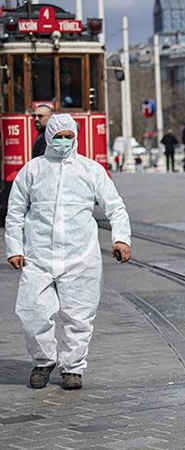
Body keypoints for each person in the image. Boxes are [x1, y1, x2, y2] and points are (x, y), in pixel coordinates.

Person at [5, 114, 131, 391]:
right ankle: (43, 361)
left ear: (75, 137)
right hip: (38, 255)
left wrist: (121, 239)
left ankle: (73, 368)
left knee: (79, 314)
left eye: (68, 137)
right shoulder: (33, 170)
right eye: (58, 137)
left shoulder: (90, 170)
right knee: (32, 311)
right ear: (49, 136)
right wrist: (14, 247)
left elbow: (115, 207)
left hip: (80, 254)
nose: (63, 142)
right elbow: (15, 212)